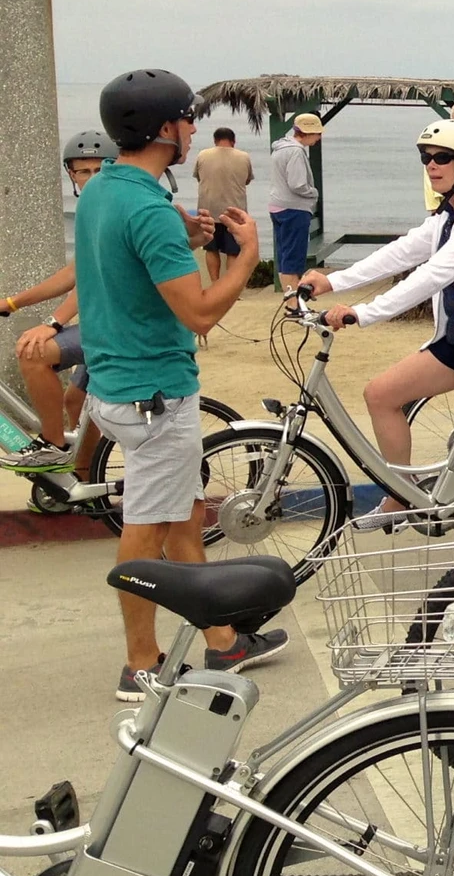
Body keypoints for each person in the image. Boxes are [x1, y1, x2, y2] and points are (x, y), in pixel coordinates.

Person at [80, 69, 283, 700]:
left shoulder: (104, 190)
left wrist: (185, 235)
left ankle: (223, 642)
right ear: (164, 128)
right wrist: (246, 259)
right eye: (186, 117)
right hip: (155, 396)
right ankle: (140, 663)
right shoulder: (149, 210)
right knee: (145, 530)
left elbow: (123, 258)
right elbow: (197, 313)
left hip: (112, 387)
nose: (194, 125)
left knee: (182, 514)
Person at [299, 121, 454, 531]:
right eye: (426, 158)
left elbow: (432, 274)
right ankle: (402, 496)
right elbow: (406, 250)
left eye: (442, 158)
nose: (431, 166)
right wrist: (333, 280)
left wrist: (363, 313)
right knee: (380, 395)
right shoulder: (452, 211)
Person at [0, 131, 112, 473]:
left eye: (99, 170)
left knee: (33, 354)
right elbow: (75, 272)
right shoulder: (93, 210)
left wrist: (52, 324)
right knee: (75, 400)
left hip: (117, 324)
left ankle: (52, 445)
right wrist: (12, 302)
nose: (91, 178)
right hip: (104, 320)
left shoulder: (112, 210)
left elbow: (88, 280)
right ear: (71, 175)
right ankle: (84, 476)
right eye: (83, 172)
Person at [267, 111, 323, 292]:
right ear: (308, 133)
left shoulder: (280, 149)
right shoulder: (296, 152)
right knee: (294, 260)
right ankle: (294, 304)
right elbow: (298, 184)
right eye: (317, 134)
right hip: (294, 209)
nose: (318, 138)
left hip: (277, 207)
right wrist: (313, 192)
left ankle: (290, 300)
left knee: (284, 258)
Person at [193, 126, 254, 282]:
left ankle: (215, 284)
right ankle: (230, 285)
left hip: (209, 210)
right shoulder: (243, 156)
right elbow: (247, 180)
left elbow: (198, 177)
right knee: (233, 251)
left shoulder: (203, 155)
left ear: (215, 141)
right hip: (234, 212)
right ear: (233, 141)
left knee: (211, 249)